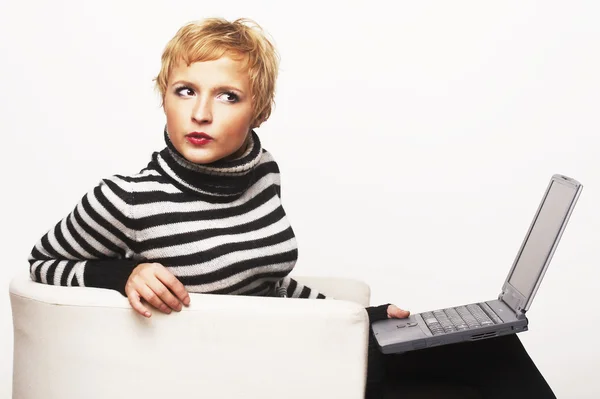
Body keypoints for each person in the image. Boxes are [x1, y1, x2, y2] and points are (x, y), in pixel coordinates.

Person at [27, 17, 556, 399]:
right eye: (185, 91)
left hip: (304, 348)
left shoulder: (263, 174)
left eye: (228, 96)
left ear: (259, 109)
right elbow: (42, 266)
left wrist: (355, 319)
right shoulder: (129, 196)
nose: (202, 112)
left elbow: (270, 285)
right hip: (261, 375)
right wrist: (124, 271)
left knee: (494, 345)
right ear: (163, 97)